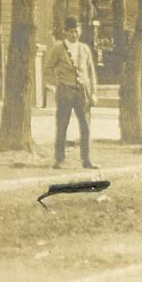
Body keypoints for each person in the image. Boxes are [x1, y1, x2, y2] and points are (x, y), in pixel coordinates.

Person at [43, 17, 99, 169]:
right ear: (65, 32)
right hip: (65, 91)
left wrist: (94, 93)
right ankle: (59, 159)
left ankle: (87, 160)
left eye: (76, 31)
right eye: (71, 32)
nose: (74, 35)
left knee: (86, 126)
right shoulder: (58, 48)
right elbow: (47, 69)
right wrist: (57, 84)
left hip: (83, 92)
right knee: (62, 125)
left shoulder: (84, 49)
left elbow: (91, 72)